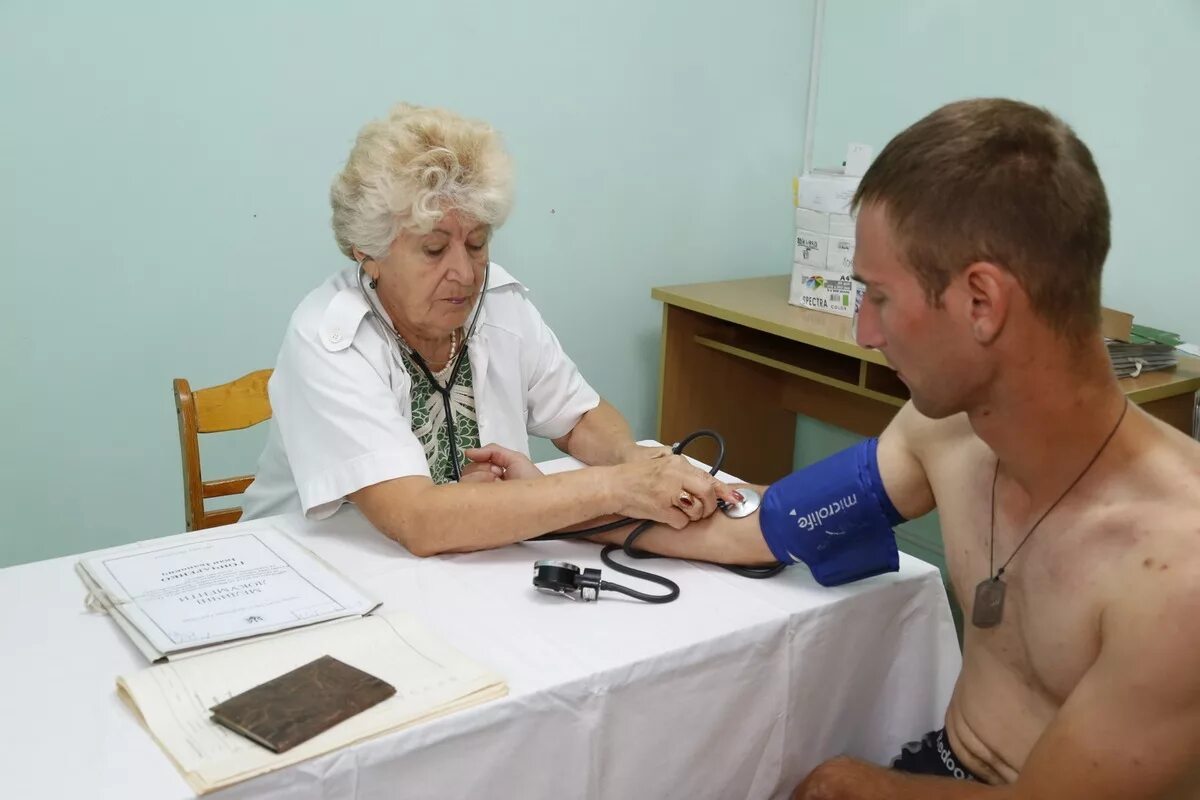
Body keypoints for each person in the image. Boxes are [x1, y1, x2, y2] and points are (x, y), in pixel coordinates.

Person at [472, 98, 1200, 799]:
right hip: (946, 764)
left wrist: (864, 787)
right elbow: (759, 531)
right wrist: (547, 505)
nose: (864, 334)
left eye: (878, 297)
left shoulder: (1178, 573)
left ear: (982, 302)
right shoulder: (940, 432)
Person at [241, 102, 737, 554]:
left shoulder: (497, 302)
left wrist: (631, 458)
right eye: (434, 250)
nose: (465, 272)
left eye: (477, 243)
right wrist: (616, 487)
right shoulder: (327, 335)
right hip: (311, 578)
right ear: (368, 254)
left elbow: (580, 417)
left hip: (468, 567)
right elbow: (419, 520)